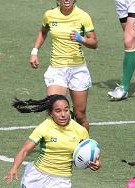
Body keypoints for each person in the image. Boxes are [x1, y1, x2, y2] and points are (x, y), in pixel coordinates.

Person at [25, 0, 98, 131]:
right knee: (54, 109)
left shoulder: (83, 16)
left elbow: (94, 42)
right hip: (57, 69)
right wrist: (34, 51)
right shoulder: (49, 15)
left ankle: (85, 146)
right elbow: (43, 32)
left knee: (80, 115)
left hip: (78, 70)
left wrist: (81, 38)